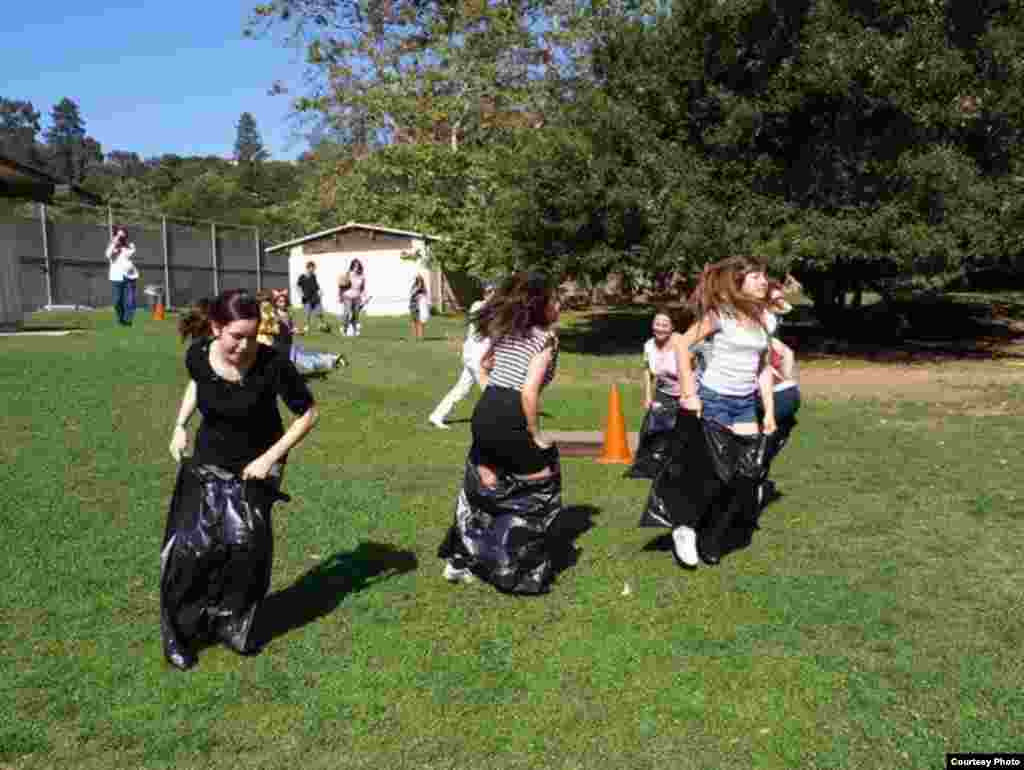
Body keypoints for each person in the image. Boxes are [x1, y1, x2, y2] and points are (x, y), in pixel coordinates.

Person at [161, 289, 319, 670]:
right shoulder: (199, 355)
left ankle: (233, 623)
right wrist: (181, 425)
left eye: (252, 335)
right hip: (209, 460)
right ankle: (181, 634)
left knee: (247, 547)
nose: (246, 345)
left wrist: (269, 459)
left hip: (258, 466)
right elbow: (198, 384)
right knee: (191, 550)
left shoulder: (273, 364)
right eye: (237, 336)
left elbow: (308, 413)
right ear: (216, 329)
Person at [640, 257, 776, 568]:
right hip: (714, 399)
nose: (762, 281)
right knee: (715, 473)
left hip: (744, 404)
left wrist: (768, 410)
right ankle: (685, 528)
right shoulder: (720, 316)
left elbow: (764, 367)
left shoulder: (764, 320)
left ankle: (712, 535)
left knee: (747, 473)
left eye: (763, 276)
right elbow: (682, 345)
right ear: (737, 282)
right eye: (755, 276)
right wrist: (689, 393)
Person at [437, 272, 562, 594]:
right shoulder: (545, 339)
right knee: (541, 483)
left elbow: (483, 364)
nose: (559, 305)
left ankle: (459, 560)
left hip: (486, 407)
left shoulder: (509, 330)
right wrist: (535, 433)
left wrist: (495, 394)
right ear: (542, 306)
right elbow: (529, 392)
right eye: (555, 300)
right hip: (510, 412)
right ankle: (517, 569)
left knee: (486, 486)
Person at [428, 281, 496, 430]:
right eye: (490, 292)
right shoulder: (479, 306)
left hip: (474, 355)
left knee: (461, 389)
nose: (492, 295)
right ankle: (500, 421)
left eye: (494, 292)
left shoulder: (490, 309)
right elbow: (485, 327)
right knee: (490, 389)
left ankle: (437, 415)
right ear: (485, 293)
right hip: (476, 355)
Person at [625, 309, 682, 479]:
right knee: (650, 428)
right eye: (657, 324)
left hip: (685, 394)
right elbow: (647, 371)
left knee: (679, 433)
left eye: (665, 325)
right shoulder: (649, 345)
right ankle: (646, 468)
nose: (660, 328)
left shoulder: (680, 344)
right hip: (664, 392)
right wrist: (648, 396)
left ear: (672, 327)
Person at [258, 288, 346, 373]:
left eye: (268, 301)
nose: (267, 304)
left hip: (284, 344)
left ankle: (331, 359)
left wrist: (296, 331)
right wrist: (273, 329)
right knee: (303, 360)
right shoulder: (269, 314)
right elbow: (266, 329)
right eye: (265, 301)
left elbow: (286, 328)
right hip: (276, 345)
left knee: (306, 359)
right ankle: (331, 360)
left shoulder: (280, 314)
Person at [106, 226, 138, 326]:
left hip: (130, 275)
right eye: (119, 235)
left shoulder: (130, 245)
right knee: (117, 301)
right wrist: (115, 245)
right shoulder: (112, 246)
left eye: (122, 235)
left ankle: (128, 320)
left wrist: (124, 246)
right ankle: (121, 319)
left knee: (130, 299)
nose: (121, 237)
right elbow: (108, 255)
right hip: (117, 276)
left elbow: (132, 254)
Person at [296, 261, 328, 334]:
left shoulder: (313, 276)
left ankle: (321, 324)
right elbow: (298, 286)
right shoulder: (302, 276)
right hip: (307, 298)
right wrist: (301, 294)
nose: (313, 270)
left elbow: (316, 286)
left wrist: (320, 291)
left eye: (314, 268)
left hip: (315, 298)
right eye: (312, 268)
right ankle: (307, 326)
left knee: (319, 312)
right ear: (308, 268)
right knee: (307, 313)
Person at [339, 259, 368, 337]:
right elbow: (341, 285)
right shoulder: (348, 274)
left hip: (357, 297)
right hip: (347, 296)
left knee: (356, 314)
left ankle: (354, 330)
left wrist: (364, 297)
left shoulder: (362, 276)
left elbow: (362, 288)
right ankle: (344, 328)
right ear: (352, 266)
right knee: (347, 313)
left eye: (358, 266)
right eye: (354, 266)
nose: (356, 267)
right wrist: (340, 296)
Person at [409, 274, 430, 341]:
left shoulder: (424, 289)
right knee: (413, 321)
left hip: (421, 307)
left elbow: (426, 296)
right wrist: (418, 287)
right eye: (418, 279)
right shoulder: (414, 287)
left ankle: (420, 337)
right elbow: (412, 293)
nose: (419, 281)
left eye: (420, 280)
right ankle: (415, 337)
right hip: (414, 306)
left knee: (420, 322)